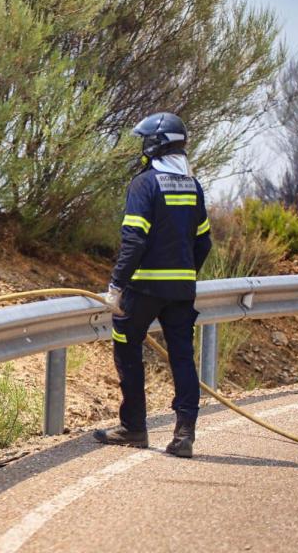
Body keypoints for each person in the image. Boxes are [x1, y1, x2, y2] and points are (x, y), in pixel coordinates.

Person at [95, 112, 212, 458]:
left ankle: (133, 427)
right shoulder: (194, 186)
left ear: (155, 146)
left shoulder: (144, 184)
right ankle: (184, 433)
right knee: (182, 358)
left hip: (143, 290)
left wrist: (116, 285)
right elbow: (203, 242)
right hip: (181, 293)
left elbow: (134, 241)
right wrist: (186, 273)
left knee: (126, 345)